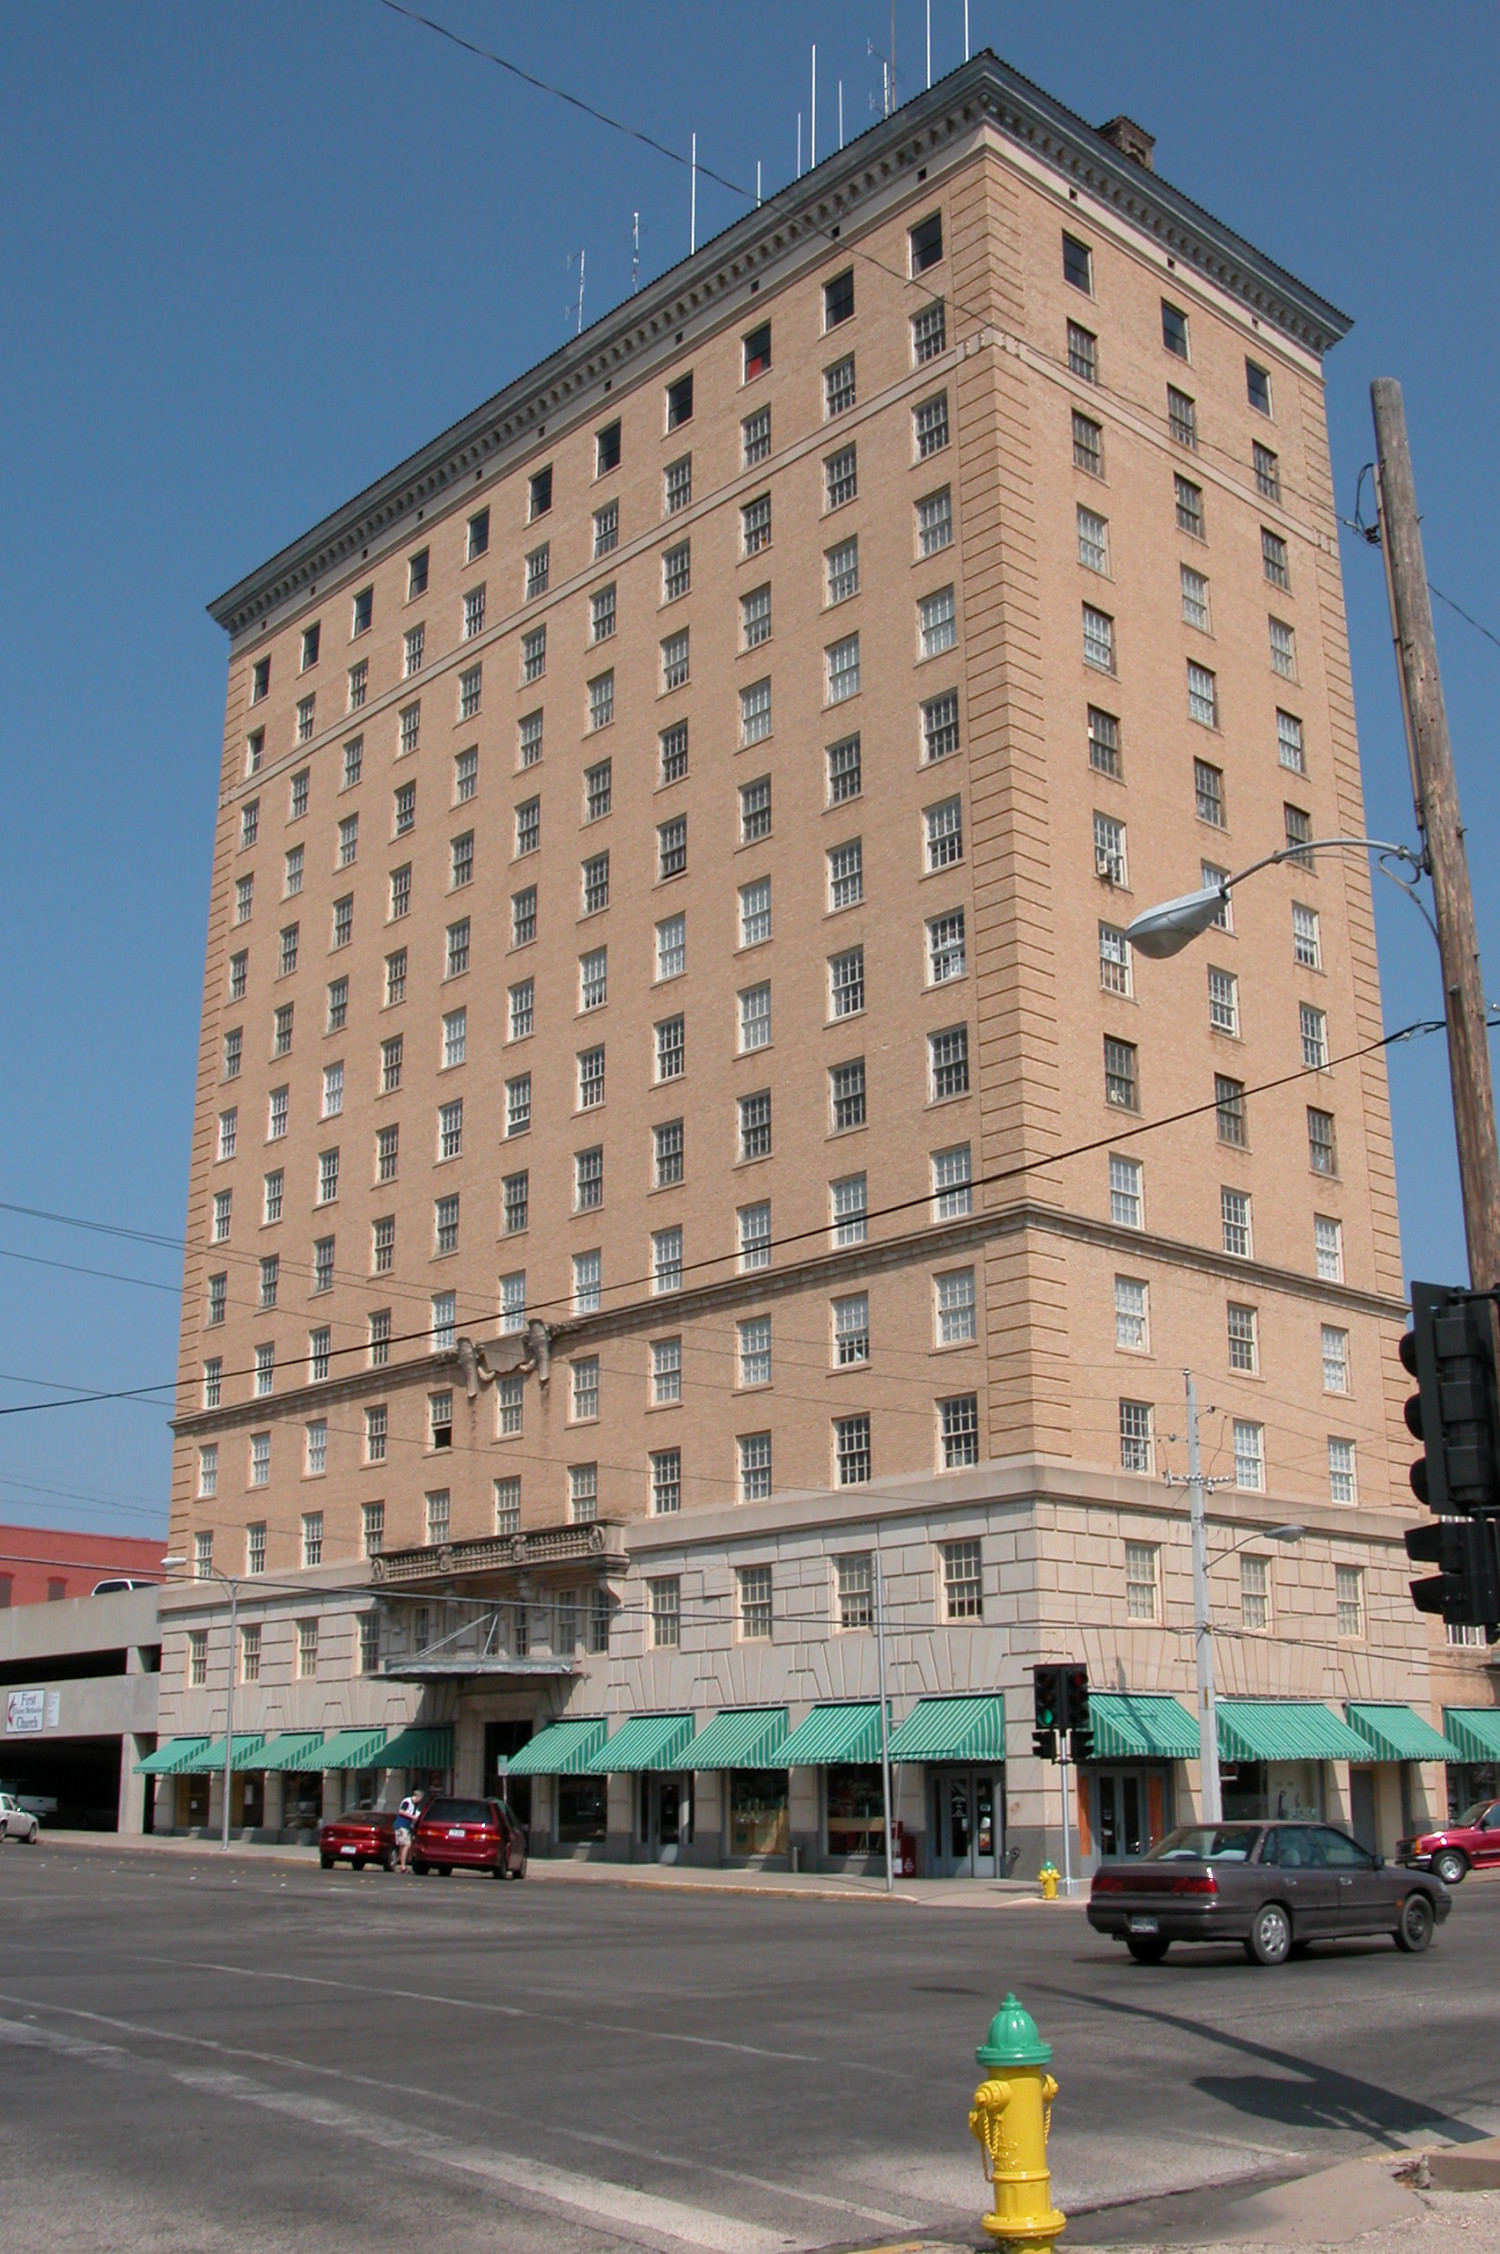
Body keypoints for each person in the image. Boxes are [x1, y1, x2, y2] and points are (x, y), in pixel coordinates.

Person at [394, 1791, 420, 1872]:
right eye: (419, 1798)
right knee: (407, 1844)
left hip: (407, 1826)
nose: (419, 1800)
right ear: (416, 1796)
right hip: (401, 1825)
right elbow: (401, 1811)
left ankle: (399, 1864)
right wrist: (412, 1817)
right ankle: (402, 1866)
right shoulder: (407, 1802)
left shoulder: (416, 1806)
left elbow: (417, 1815)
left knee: (402, 1846)